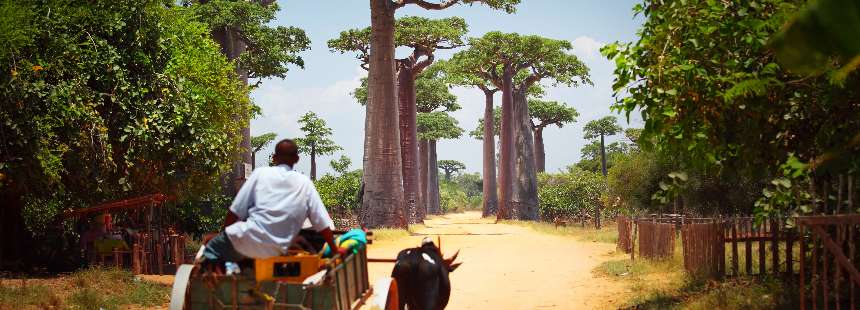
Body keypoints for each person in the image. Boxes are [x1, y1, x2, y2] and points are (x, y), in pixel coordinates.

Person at [200, 139, 346, 263]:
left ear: (274, 158)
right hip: (280, 249)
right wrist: (334, 249)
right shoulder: (304, 182)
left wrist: (225, 235)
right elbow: (322, 223)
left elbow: (234, 212)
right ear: (296, 159)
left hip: (246, 241)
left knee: (210, 248)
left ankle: (209, 275)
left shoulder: (259, 174)